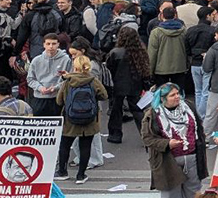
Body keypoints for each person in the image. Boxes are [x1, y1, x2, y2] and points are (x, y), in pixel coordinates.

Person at [143, 83, 207, 198]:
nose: (177, 97)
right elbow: (147, 138)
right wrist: (167, 144)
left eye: (178, 93)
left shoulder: (188, 108)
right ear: (163, 99)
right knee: (170, 193)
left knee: (194, 190)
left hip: (191, 156)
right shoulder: (153, 114)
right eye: (172, 95)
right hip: (169, 160)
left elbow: (198, 127)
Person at [53, 52, 108, 183]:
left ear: (75, 67)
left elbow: (59, 101)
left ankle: (62, 171)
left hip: (70, 120)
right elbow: (104, 96)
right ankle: (81, 175)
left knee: (65, 146)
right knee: (85, 147)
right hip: (89, 120)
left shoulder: (68, 81)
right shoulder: (93, 81)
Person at [104, 23, 150, 144]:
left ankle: (115, 134)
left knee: (116, 110)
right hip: (135, 84)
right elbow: (145, 69)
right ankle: (146, 134)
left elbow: (110, 68)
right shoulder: (140, 52)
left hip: (118, 84)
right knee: (137, 110)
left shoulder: (116, 52)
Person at [26, 33, 70, 117]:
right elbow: (30, 79)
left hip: (57, 97)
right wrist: (40, 87)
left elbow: (68, 79)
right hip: (39, 98)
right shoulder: (36, 60)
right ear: (44, 45)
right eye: (48, 44)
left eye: (53, 44)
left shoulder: (66, 60)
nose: (51, 46)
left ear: (58, 44)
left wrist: (56, 87)